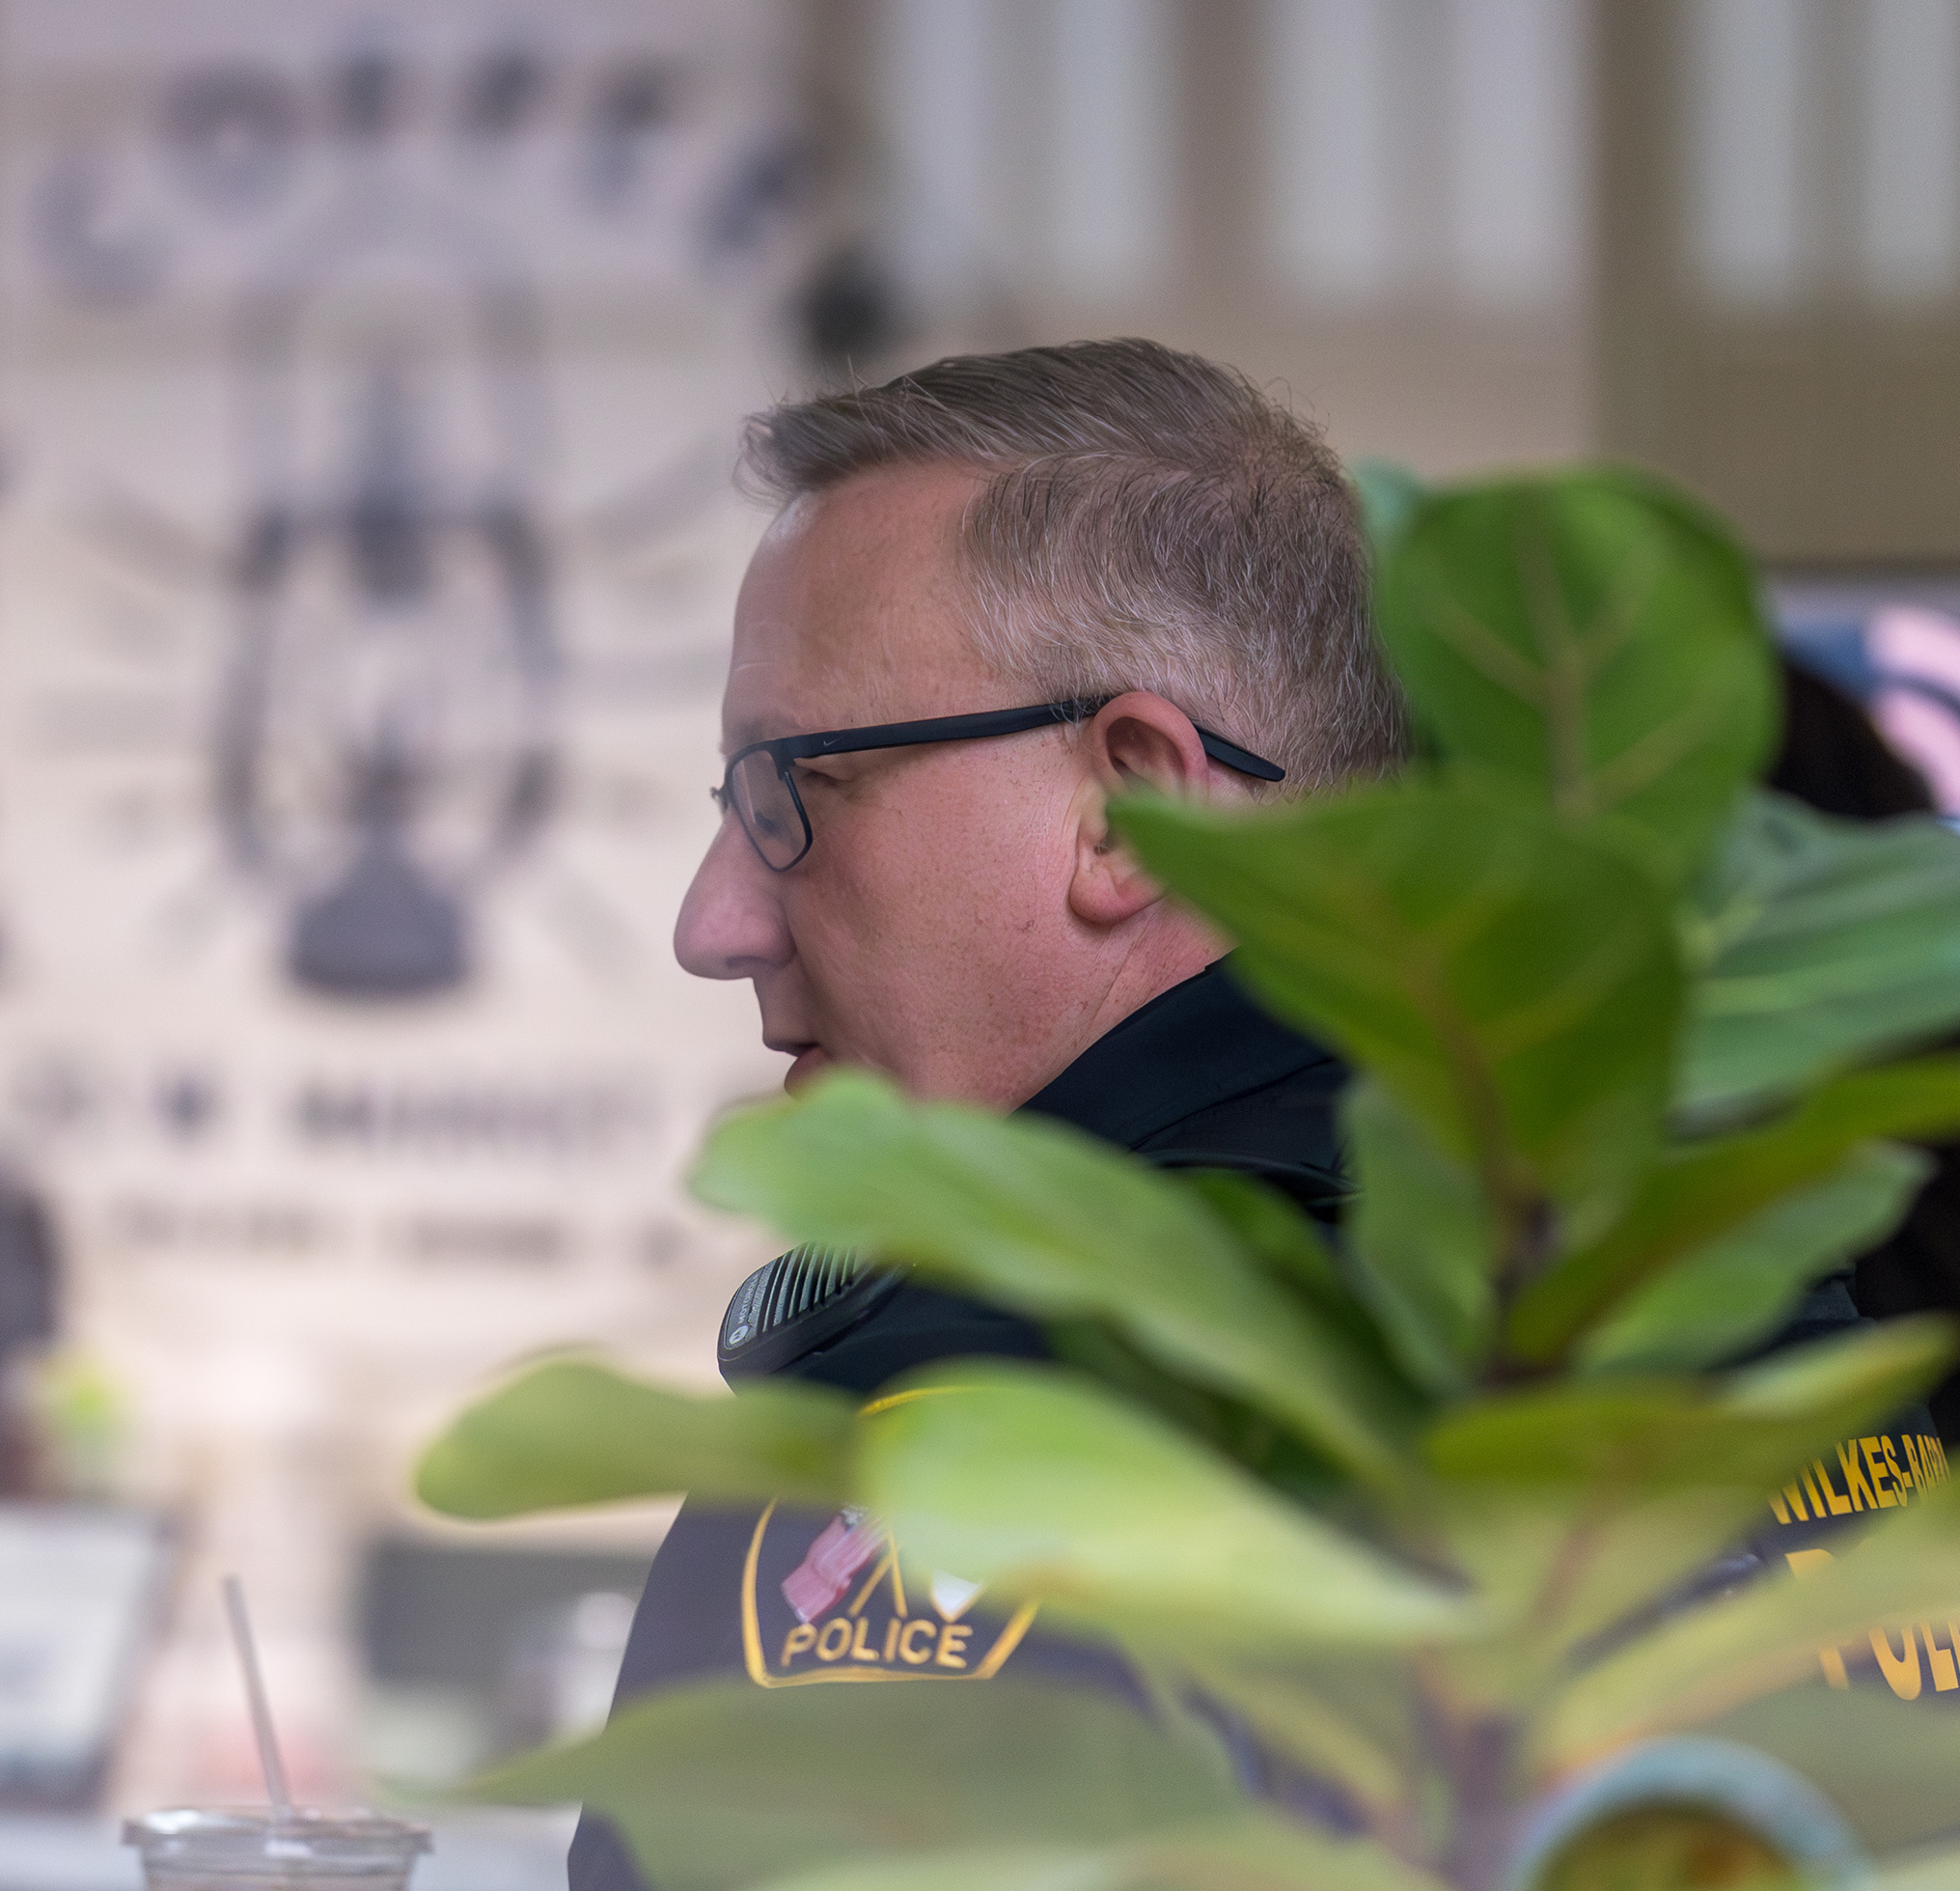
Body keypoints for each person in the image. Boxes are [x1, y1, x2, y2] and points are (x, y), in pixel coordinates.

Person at [570, 339, 1408, 1891]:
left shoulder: (978, 1420)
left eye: (792, 793)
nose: (716, 921)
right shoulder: (1667, 1285)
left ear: (1130, 805)